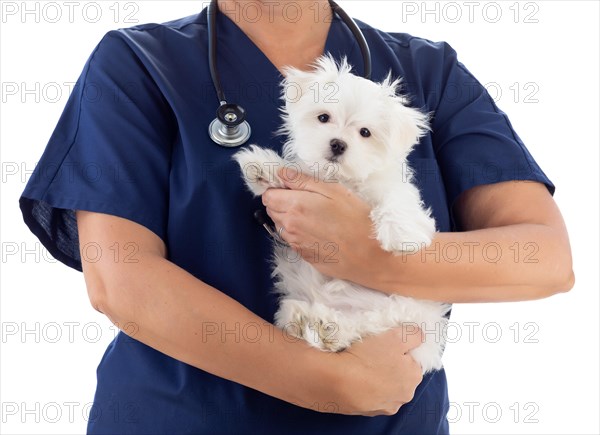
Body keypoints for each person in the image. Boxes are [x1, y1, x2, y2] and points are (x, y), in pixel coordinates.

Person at [19, 0, 574, 433]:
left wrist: (365, 252)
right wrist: (328, 380)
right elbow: (121, 279)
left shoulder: (427, 73)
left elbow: (545, 260)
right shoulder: (138, 64)